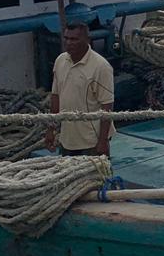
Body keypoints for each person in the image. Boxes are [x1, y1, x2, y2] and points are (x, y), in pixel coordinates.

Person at [47, 22, 115, 156]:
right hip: (68, 139)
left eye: (74, 39)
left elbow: (107, 106)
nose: (69, 43)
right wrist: (51, 129)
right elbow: (56, 97)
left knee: (95, 177)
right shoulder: (60, 61)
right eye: (66, 38)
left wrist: (102, 141)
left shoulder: (101, 67)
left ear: (87, 40)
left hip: (91, 140)